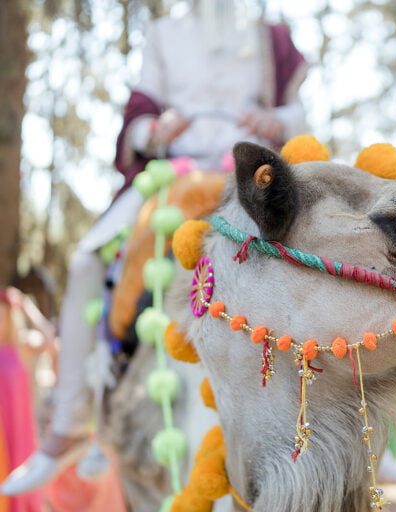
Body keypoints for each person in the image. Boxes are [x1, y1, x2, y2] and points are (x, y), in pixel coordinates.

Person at [1, 0, 308, 496]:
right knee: (85, 261)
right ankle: (70, 421)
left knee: (322, 254)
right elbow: (137, 122)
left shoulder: (269, 35)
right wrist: (157, 129)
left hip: (250, 177)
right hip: (177, 179)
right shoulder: (165, 33)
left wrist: (276, 121)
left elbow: (298, 112)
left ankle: (350, 409)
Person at [0, 287, 56, 512]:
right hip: (1, 435)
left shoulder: (21, 345)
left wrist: (26, 306)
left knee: (23, 479)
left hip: (21, 431)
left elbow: (49, 339)